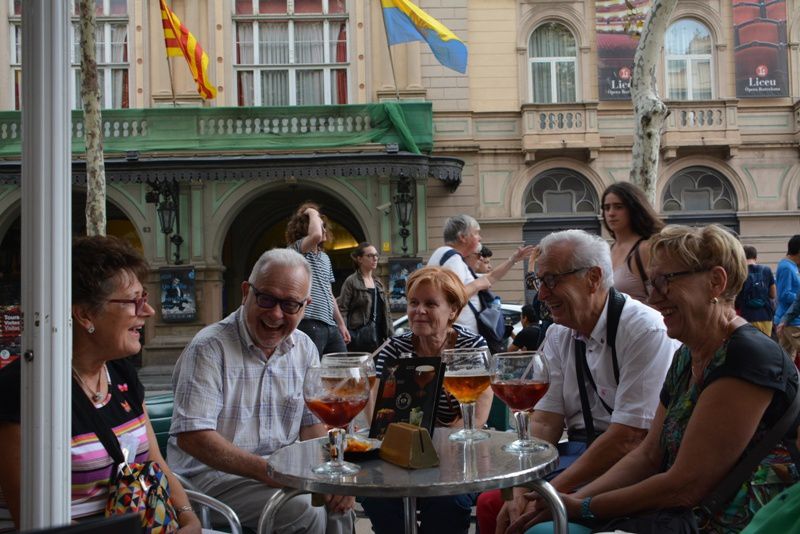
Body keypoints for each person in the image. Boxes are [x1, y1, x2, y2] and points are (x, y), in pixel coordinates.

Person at [510, 224, 800, 534]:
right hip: (680, 514)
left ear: (715, 282)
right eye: (650, 283)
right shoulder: (688, 355)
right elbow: (648, 455)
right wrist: (569, 500)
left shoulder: (746, 356)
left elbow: (684, 486)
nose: (652, 297)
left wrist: (579, 507)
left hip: (739, 522)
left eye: (665, 281)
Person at [477, 229, 677, 534]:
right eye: (538, 282)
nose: (541, 295)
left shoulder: (643, 329)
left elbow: (630, 438)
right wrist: (521, 488)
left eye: (552, 280)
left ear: (593, 278)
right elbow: (544, 422)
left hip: (627, 467)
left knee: (535, 526)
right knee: (492, 503)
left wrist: (549, 493)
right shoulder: (559, 334)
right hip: (578, 456)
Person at [0, 236, 201, 532]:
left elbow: (155, 462)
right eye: (135, 301)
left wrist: (189, 519)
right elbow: (30, 516)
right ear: (85, 314)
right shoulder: (23, 389)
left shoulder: (121, 373)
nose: (148, 312)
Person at [167, 248, 354, 533]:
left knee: (340, 508)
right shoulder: (209, 347)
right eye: (266, 298)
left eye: (290, 304)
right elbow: (194, 438)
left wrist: (330, 475)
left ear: (306, 306)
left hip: (281, 475)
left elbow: (312, 427)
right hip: (212, 481)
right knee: (304, 510)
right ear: (246, 292)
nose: (276, 313)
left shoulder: (304, 348)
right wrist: (270, 471)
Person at [361, 266, 492, 534]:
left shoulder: (471, 345)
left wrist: (461, 432)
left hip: (457, 454)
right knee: (376, 497)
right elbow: (373, 397)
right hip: (402, 453)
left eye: (430, 303)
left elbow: (482, 401)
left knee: (448, 501)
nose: (419, 310)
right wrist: (382, 432)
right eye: (413, 302)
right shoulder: (396, 347)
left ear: (452, 311)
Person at [427, 214, 534, 336]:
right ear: (462, 237)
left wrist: (513, 260)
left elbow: (491, 277)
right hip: (460, 339)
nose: (480, 238)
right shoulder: (453, 259)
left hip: (461, 336)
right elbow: (452, 296)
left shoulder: (448, 256)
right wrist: (477, 285)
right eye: (476, 233)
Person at [285, 201, 350, 356]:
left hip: (330, 325)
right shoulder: (297, 249)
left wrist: (341, 324)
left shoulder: (324, 258)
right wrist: (311, 212)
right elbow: (315, 235)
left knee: (342, 369)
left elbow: (329, 293)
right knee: (312, 373)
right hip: (308, 322)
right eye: (321, 225)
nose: (324, 230)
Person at [601, 182, 664, 303]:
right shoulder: (607, 250)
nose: (611, 213)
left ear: (633, 208)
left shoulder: (645, 249)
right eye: (607, 207)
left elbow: (662, 300)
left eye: (618, 207)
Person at [337, 242, 393, 353]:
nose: (375, 258)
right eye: (370, 255)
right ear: (359, 259)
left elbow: (387, 312)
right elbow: (342, 309)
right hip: (359, 337)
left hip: (379, 337)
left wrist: (391, 336)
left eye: (376, 255)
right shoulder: (351, 281)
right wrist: (344, 332)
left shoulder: (378, 283)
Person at [735, 245, 776, 336]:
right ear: (756, 257)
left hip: (746, 317)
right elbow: (773, 294)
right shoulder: (766, 270)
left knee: (750, 347)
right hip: (766, 316)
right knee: (766, 346)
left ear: (741, 257)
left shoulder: (740, 272)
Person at [774, 234, 800, 356]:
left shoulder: (792, 266)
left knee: (786, 359)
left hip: (790, 319)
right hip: (792, 322)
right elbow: (784, 295)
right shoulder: (787, 267)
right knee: (786, 359)